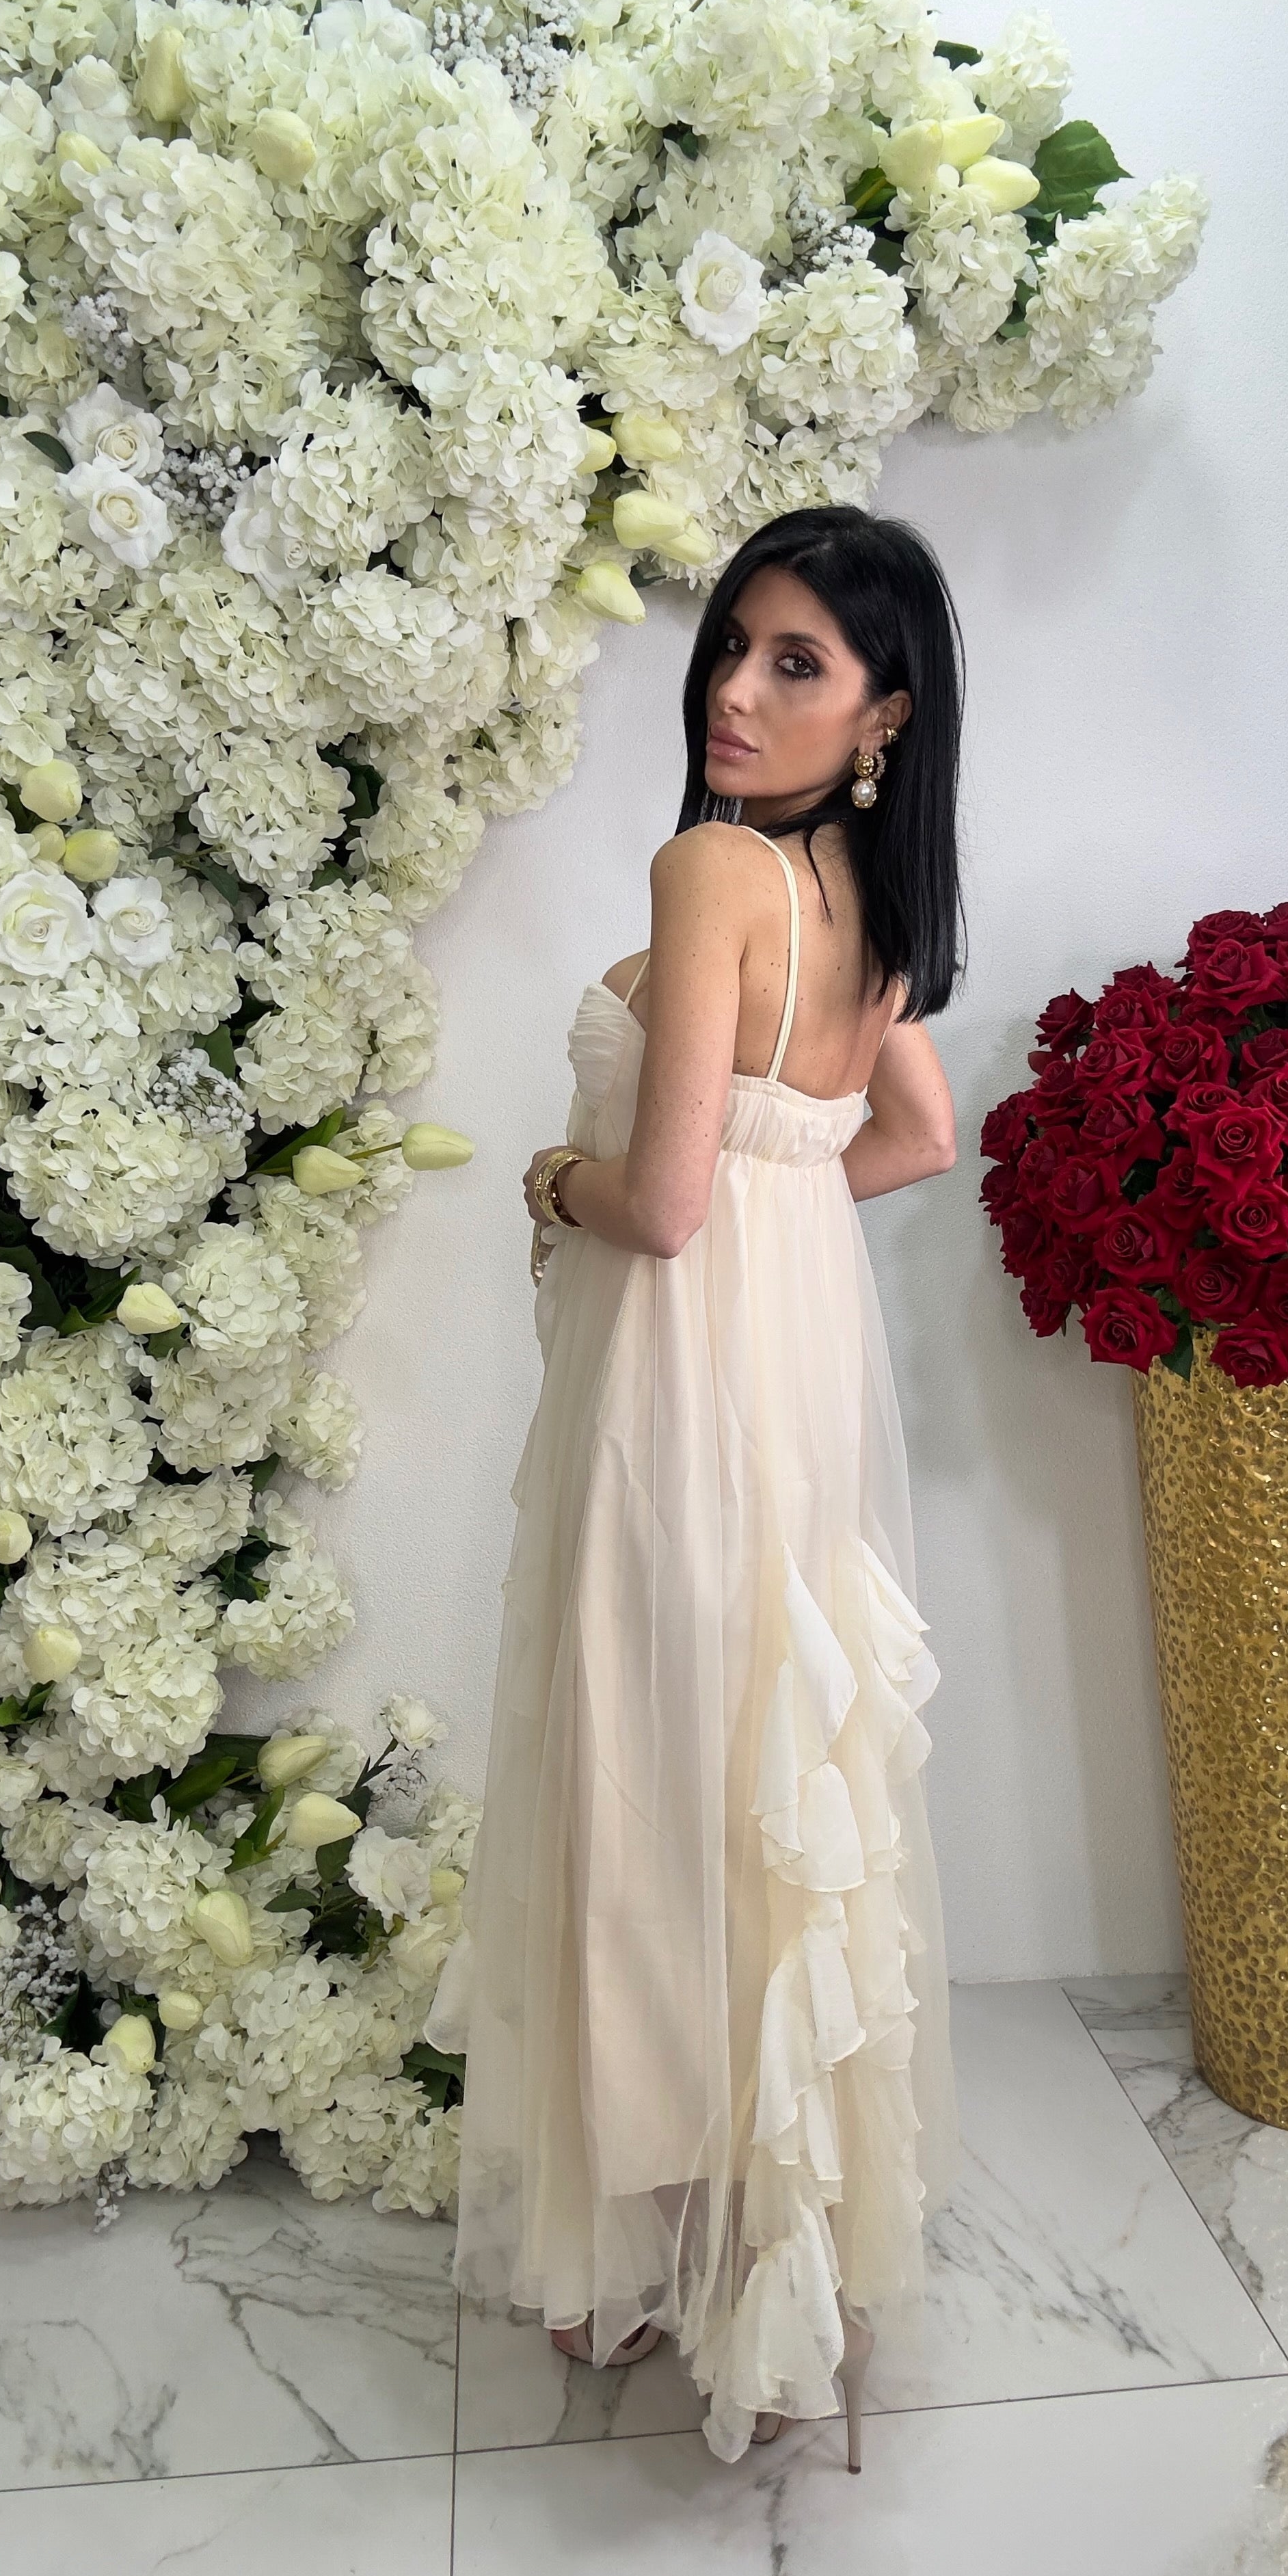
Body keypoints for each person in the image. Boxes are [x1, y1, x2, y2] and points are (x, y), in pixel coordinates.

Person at [426, 503, 966, 2469]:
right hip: (795, 1370)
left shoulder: (717, 867)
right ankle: (752, 2219)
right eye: (732, 644)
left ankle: (631, 2244)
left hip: (673, 1379)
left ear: (882, 710)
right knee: (768, 1768)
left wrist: (545, 1179)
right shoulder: (873, 891)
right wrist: (782, 1193)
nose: (734, 690)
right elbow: (911, 1137)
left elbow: (655, 1207)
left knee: (646, 1765)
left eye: (795, 662)